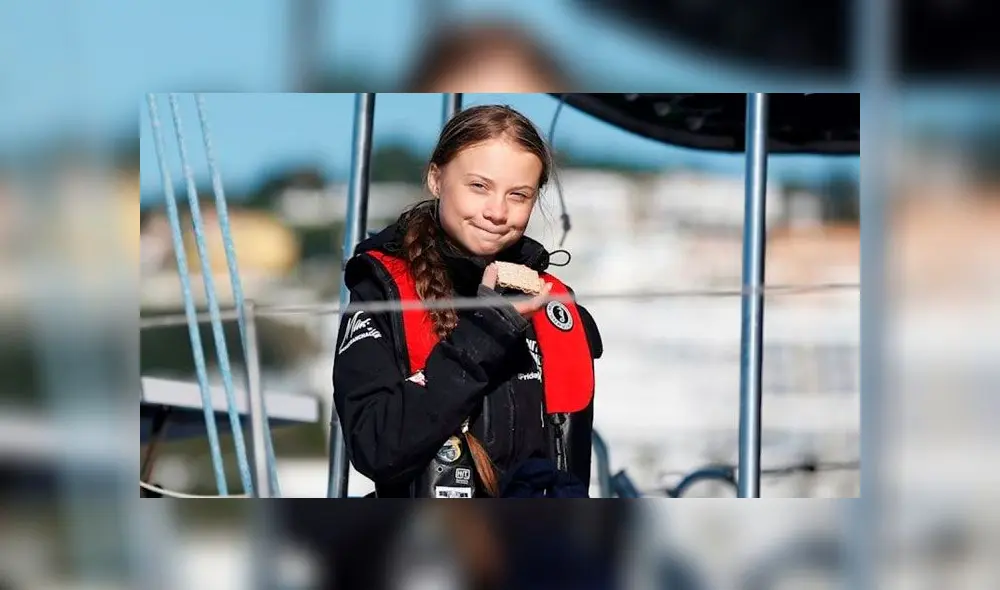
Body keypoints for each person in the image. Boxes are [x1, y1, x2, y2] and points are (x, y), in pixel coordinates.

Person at [332, 104, 602, 498]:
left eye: (518, 195)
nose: (496, 212)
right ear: (436, 179)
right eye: (479, 186)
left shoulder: (554, 305)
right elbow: (376, 448)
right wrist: (487, 330)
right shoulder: (381, 291)